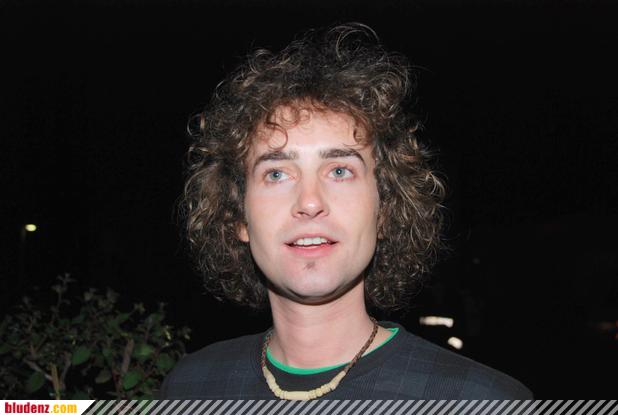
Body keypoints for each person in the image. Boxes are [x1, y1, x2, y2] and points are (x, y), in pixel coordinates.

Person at [160, 23, 532, 399]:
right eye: (276, 173)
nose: (309, 201)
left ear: (385, 210)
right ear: (238, 216)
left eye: (340, 171)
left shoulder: (481, 400)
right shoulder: (189, 388)